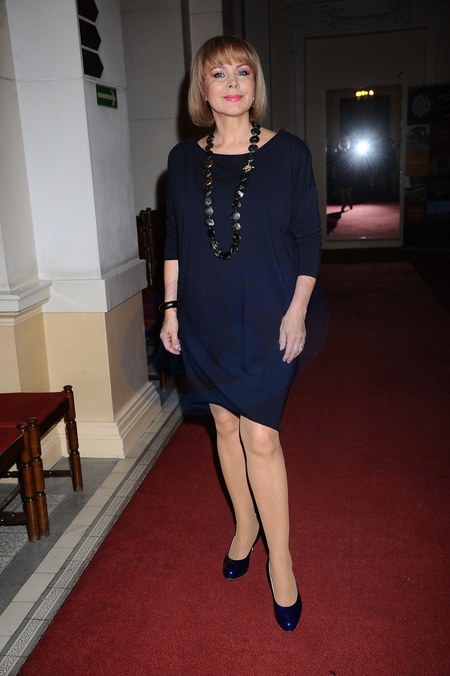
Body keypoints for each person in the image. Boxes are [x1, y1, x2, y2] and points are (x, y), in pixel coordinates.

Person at [160, 35, 321, 632]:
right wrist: (171, 309)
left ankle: (281, 560)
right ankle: (244, 523)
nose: (231, 83)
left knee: (262, 438)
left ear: (256, 83)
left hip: (268, 316)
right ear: (201, 88)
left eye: (242, 72)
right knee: (224, 425)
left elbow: (308, 239)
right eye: (218, 73)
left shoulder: (290, 153)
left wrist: (297, 311)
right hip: (205, 317)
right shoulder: (182, 159)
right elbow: (174, 241)